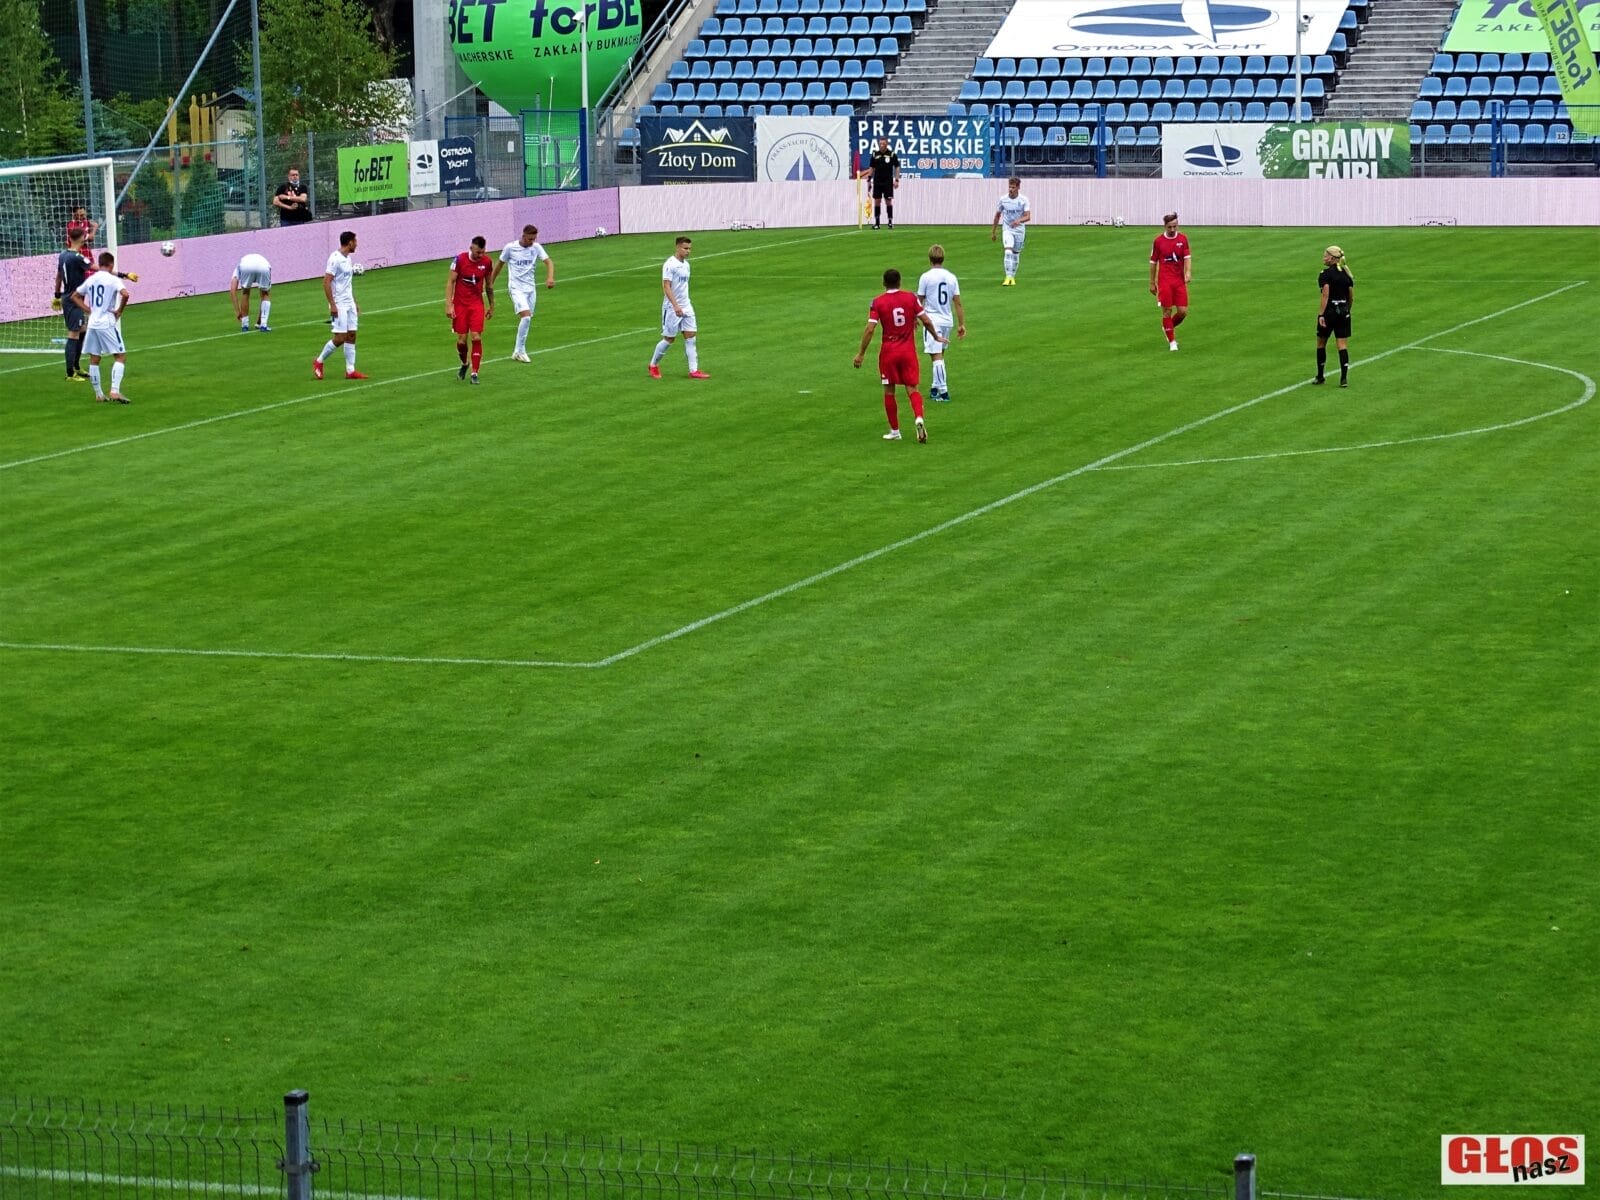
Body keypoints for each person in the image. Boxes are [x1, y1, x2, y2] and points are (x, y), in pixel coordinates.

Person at [853, 267, 946, 443]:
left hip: (889, 352)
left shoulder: (878, 302)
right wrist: (936, 336)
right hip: (908, 351)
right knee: (912, 388)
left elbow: (870, 329)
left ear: (883, 283)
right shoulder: (910, 298)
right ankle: (918, 417)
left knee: (889, 391)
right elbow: (926, 320)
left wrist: (861, 353)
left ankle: (895, 431)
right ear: (900, 282)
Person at [70, 250, 131, 404]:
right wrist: (119, 311)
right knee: (120, 356)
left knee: (94, 358)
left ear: (100, 263)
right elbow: (125, 294)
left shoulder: (91, 279)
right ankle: (115, 391)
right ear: (111, 264)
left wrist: (88, 310)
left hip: (92, 323)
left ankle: (99, 394)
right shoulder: (113, 279)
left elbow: (74, 296)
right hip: (106, 323)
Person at [649, 236, 709, 380]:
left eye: (690, 249)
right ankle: (653, 365)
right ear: (677, 247)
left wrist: (683, 304)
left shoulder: (686, 265)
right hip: (672, 307)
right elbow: (666, 286)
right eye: (685, 248)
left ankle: (693, 370)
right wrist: (675, 305)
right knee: (669, 339)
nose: (688, 251)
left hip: (686, 305)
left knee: (691, 336)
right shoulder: (670, 264)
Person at [493, 224, 555, 363]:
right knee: (526, 317)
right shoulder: (510, 248)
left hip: (531, 289)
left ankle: (517, 351)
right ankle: (520, 351)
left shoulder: (536, 247)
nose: (532, 241)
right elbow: (499, 265)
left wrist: (550, 277)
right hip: (516, 288)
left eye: (534, 239)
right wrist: (490, 283)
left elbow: (549, 262)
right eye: (530, 239)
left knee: (528, 319)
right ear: (523, 236)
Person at [915, 244, 966, 402]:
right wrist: (961, 324)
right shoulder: (951, 277)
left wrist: (914, 318)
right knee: (940, 355)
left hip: (932, 321)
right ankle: (935, 388)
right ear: (943, 258)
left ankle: (943, 392)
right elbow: (958, 302)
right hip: (947, 320)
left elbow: (919, 301)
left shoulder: (926, 277)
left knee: (936, 356)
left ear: (930, 259)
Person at [313, 230, 366, 380]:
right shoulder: (335, 259)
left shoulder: (348, 259)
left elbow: (347, 284)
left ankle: (350, 370)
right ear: (349, 242)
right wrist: (332, 304)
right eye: (355, 241)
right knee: (340, 337)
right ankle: (319, 361)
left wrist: (354, 301)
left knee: (352, 335)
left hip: (349, 303)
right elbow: (326, 282)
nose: (357, 244)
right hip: (339, 304)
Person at [446, 235, 494, 384]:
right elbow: (451, 282)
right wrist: (449, 304)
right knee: (461, 341)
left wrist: (492, 305)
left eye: (483, 252)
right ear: (471, 248)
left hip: (476, 304)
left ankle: (474, 373)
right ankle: (465, 363)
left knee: (476, 337)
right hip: (460, 304)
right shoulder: (459, 260)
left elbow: (489, 285)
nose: (481, 255)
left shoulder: (487, 262)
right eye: (478, 252)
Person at [53, 229, 94, 382]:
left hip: (70, 298)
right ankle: (70, 373)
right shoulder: (77, 257)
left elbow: (58, 276)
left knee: (83, 330)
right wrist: (122, 274)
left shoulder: (63, 254)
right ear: (82, 238)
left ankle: (76, 366)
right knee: (74, 334)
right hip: (73, 300)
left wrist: (57, 295)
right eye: (85, 236)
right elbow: (96, 267)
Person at [1149, 211, 1191, 351]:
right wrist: (1152, 282)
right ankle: (1172, 342)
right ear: (1165, 226)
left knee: (1183, 312)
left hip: (1179, 281)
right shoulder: (1158, 241)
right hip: (1165, 281)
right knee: (1167, 311)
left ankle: (1167, 327)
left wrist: (1188, 272)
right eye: (1170, 227)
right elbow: (1153, 262)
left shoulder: (1183, 239)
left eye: (1175, 226)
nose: (1172, 229)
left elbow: (1187, 257)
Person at [1315, 245, 1355, 387]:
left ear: (1332, 258)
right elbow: (1351, 296)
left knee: (1321, 343)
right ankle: (1343, 379)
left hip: (1329, 312)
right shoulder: (1346, 274)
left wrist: (1321, 314)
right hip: (1344, 312)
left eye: (1325, 255)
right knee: (1342, 345)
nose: (1323, 258)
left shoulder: (1325, 274)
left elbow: (1325, 294)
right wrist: (1347, 310)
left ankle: (1320, 376)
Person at [991, 177, 1031, 285]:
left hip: (1019, 230)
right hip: (1007, 229)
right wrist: (993, 232)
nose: (1011, 189)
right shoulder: (1003, 199)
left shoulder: (1024, 200)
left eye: (1013, 187)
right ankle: (1007, 277)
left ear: (1018, 187)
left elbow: (1028, 217)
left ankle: (1012, 277)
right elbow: (997, 215)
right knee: (1008, 251)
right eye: (1009, 187)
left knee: (1016, 253)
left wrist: (1019, 220)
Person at [863, 137, 900, 230]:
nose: (882, 145)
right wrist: (869, 180)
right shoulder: (875, 154)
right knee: (877, 201)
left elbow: (897, 167)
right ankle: (877, 223)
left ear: (887, 144)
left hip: (888, 182)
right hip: (877, 181)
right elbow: (871, 167)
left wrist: (896, 180)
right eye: (880, 144)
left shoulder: (892, 154)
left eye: (883, 144)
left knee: (888, 201)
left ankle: (890, 222)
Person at [230, 252, 274, 332]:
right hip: (263, 266)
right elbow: (263, 296)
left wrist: (238, 312)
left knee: (245, 292)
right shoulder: (263, 262)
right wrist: (260, 321)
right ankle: (263, 325)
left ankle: (245, 325)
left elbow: (233, 290)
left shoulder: (238, 268)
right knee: (265, 293)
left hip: (246, 267)